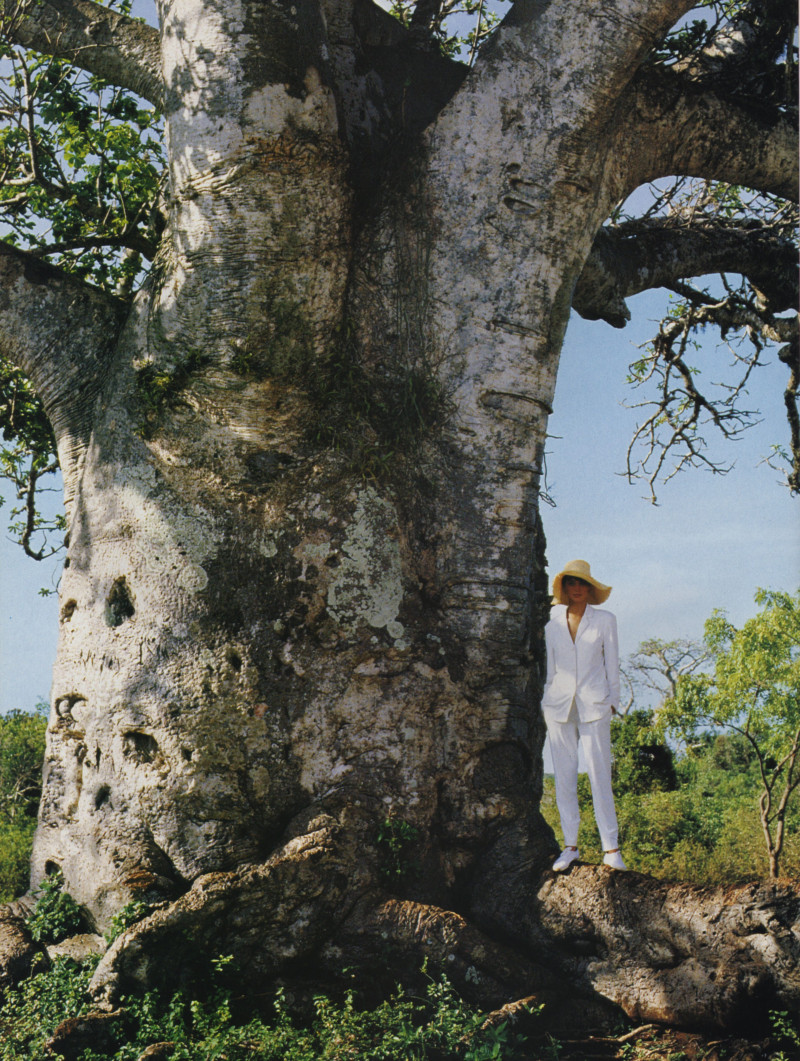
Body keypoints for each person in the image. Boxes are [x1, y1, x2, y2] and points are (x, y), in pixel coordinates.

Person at [541, 559, 627, 872]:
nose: (576, 589)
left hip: (595, 704)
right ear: (564, 588)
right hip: (558, 706)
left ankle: (611, 848)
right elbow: (551, 669)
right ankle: (570, 846)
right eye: (571, 583)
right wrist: (547, 699)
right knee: (564, 778)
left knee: (599, 774)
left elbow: (612, 662)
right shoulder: (551, 624)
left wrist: (612, 701)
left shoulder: (605, 620)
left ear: (590, 588)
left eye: (582, 583)